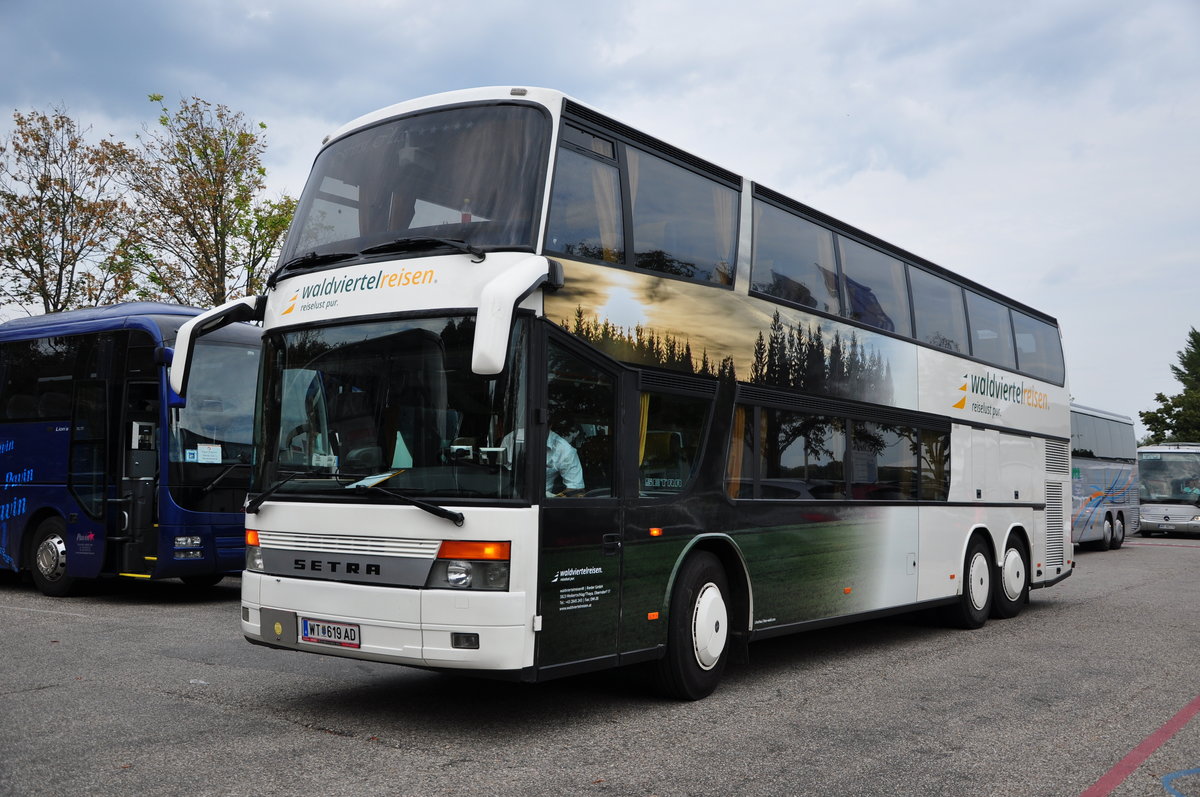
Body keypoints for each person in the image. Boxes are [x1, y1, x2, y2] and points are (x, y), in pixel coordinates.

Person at [500, 427, 585, 497]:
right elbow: (498, 474)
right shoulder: (510, 440)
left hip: (541, 504)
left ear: (550, 424)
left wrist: (553, 499)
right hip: (507, 499)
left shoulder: (564, 450)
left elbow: (576, 490)